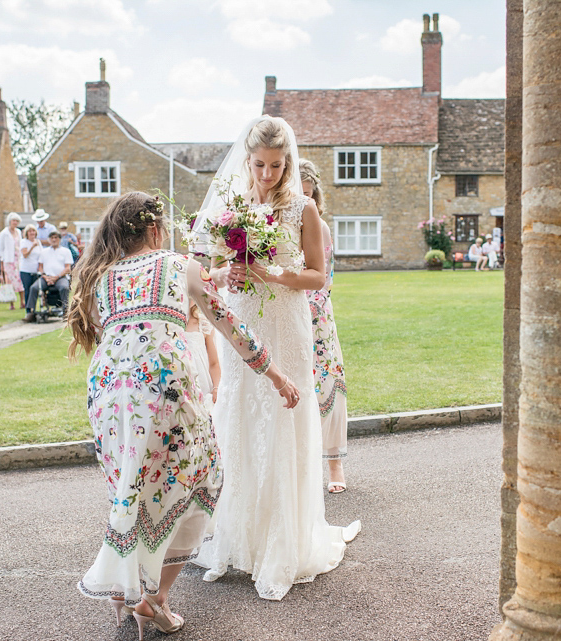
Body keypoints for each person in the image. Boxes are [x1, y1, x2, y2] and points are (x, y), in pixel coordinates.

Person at [67, 191, 298, 640]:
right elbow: (234, 328)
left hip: (109, 394)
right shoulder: (180, 265)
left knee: (131, 489)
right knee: (205, 481)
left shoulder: (100, 275)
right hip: (163, 390)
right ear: (155, 229)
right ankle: (153, 599)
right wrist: (277, 375)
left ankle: (128, 587)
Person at [194, 115, 360, 601]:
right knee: (242, 414)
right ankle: (241, 537)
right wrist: (231, 273)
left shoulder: (303, 208)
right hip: (243, 320)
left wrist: (274, 274)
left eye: (275, 165)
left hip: (287, 323)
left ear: (287, 162)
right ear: (247, 160)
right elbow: (212, 271)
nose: (267, 174)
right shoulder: (232, 205)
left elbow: (317, 277)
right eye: (259, 165)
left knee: (284, 418)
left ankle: (284, 539)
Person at [299, 159, 350, 493]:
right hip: (284, 312)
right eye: (298, 194)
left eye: (309, 194)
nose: (305, 202)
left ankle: (335, 464)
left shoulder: (322, 227)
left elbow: (324, 279)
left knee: (326, 381)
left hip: (316, 313)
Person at [24, 230, 71, 320]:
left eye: (56, 238)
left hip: (60, 277)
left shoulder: (66, 251)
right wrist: (45, 276)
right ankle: (30, 312)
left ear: (59, 239)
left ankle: (66, 311)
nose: (54, 240)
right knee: (34, 287)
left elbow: (67, 268)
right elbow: (40, 267)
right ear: (49, 240)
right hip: (46, 278)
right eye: (52, 238)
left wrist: (56, 277)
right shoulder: (44, 252)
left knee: (64, 287)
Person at [184, 303, 221, 410]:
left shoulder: (203, 323)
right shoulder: (168, 323)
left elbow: (214, 363)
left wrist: (216, 388)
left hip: (202, 387)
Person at [0, 212, 24, 310]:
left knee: (20, 280)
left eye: (17, 221)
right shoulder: (4, 233)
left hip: (18, 259)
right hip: (8, 260)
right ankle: (11, 303)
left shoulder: (19, 232)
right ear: (10, 221)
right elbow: (0, 249)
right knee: (10, 282)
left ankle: (22, 302)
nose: (15, 223)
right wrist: (1, 263)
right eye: (13, 221)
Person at [18, 224, 41, 315]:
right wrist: (32, 247)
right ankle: (28, 310)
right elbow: (25, 255)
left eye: (33, 231)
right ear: (27, 233)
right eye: (30, 231)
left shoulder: (38, 241)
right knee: (27, 289)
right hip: (26, 270)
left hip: (36, 270)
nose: (32, 233)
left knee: (34, 290)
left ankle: (33, 309)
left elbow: (41, 255)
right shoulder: (24, 242)